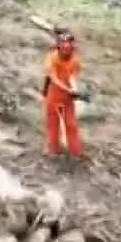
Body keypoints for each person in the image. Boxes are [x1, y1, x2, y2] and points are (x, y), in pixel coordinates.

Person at [42, 29, 83, 162]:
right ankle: (52, 149)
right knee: (52, 124)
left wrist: (74, 88)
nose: (67, 50)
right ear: (59, 47)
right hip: (54, 95)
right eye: (64, 47)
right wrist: (68, 89)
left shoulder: (74, 59)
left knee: (71, 124)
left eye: (69, 48)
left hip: (67, 98)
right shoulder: (52, 59)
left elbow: (72, 75)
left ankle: (75, 152)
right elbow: (53, 79)